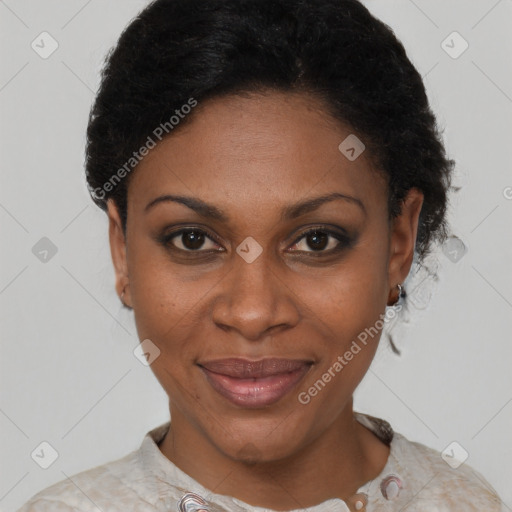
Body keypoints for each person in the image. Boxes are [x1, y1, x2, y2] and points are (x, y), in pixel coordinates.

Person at [17, 0, 506, 510]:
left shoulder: (464, 502)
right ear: (122, 252)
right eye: (192, 239)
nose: (252, 314)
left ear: (397, 244)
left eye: (317, 240)